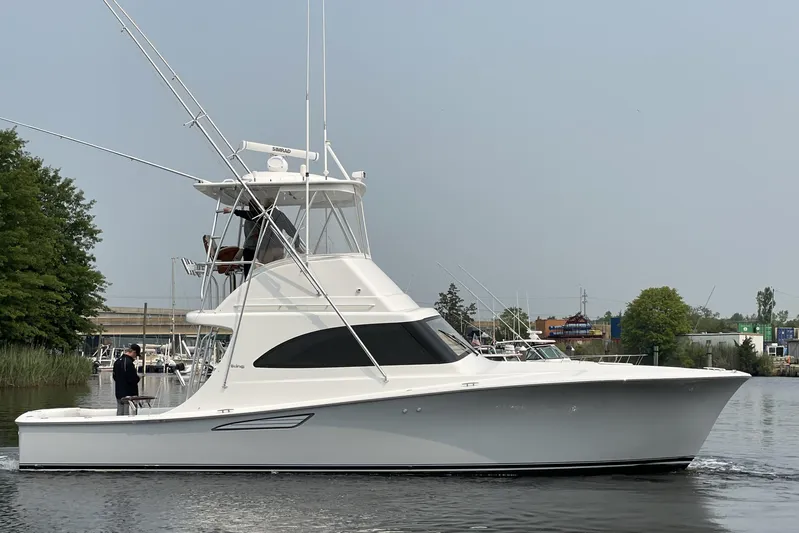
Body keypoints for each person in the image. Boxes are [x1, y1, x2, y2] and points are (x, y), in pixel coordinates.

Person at [225, 198, 303, 276]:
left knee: (266, 273)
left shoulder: (262, 215)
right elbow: (293, 231)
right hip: (279, 249)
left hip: (267, 250)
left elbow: (248, 214)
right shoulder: (280, 215)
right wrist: (297, 245)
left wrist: (233, 210)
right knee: (279, 272)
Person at [112, 344, 141, 416]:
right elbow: (132, 379)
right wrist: (138, 378)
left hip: (119, 393)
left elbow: (114, 377)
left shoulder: (117, 362)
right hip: (130, 395)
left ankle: (119, 426)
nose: (136, 357)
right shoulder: (129, 363)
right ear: (133, 352)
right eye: (136, 355)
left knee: (120, 413)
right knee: (130, 415)